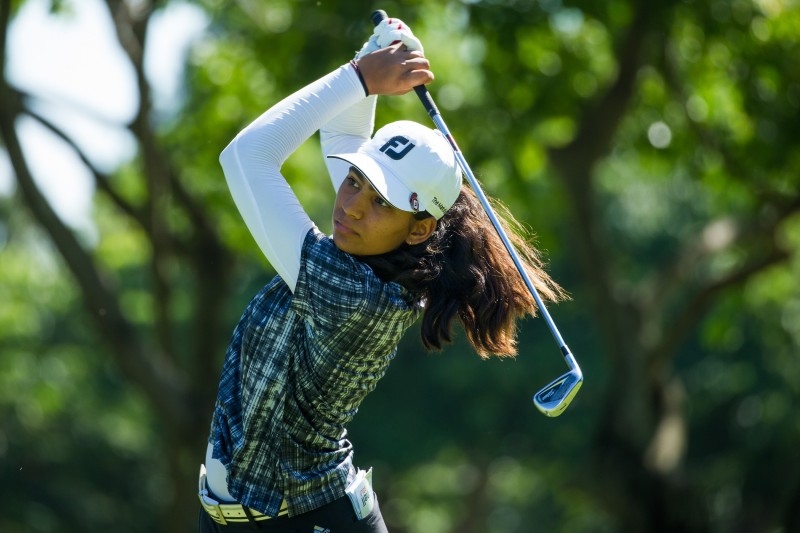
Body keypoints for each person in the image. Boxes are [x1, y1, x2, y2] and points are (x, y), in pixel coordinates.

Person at [198, 18, 565, 533]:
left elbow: (245, 158)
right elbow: (346, 134)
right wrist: (376, 53)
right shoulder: (374, 251)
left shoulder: (352, 293)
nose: (350, 206)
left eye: (379, 201)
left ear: (419, 229)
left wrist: (360, 76)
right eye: (354, 180)